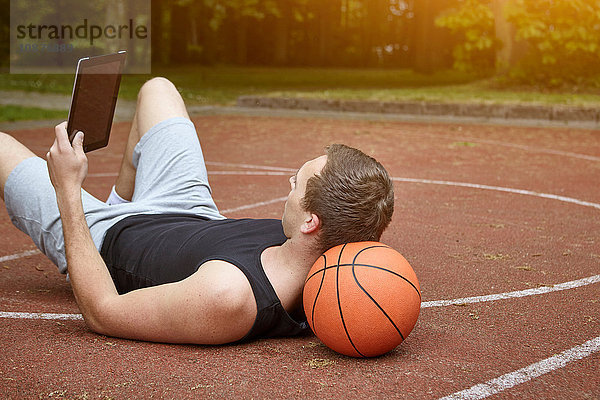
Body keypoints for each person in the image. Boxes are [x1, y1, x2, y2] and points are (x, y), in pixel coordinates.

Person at [0, 77, 394, 345]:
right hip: (191, 212)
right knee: (158, 89)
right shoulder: (331, 238)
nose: (288, 183)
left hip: (106, 238)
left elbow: (104, 313)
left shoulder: (229, 297)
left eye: (298, 181)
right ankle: (122, 198)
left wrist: (68, 188)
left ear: (311, 222)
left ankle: (106, 209)